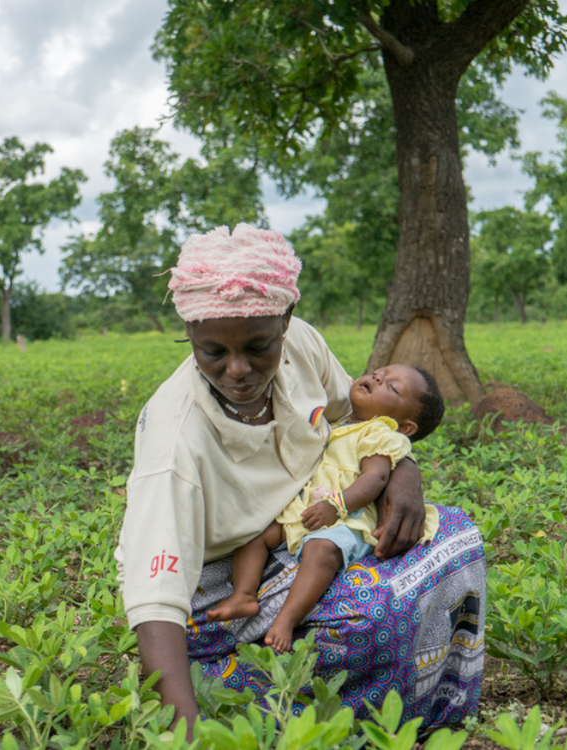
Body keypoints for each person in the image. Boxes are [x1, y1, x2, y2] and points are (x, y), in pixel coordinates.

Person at [114, 225, 484, 738]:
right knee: (374, 615)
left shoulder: (302, 345)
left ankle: (434, 709)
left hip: (292, 530)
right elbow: (156, 601)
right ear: (190, 332)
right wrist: (186, 733)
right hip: (218, 591)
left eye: (258, 347)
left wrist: (404, 471)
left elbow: (355, 419)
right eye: (212, 352)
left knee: (457, 535)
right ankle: (306, 716)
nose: (238, 370)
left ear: (285, 321)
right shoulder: (175, 443)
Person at [204, 364, 445, 653]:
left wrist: (337, 505)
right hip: (308, 507)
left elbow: (375, 477)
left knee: (322, 550)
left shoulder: (379, 433)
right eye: (380, 372)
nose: (378, 378)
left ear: (405, 426)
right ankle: (244, 594)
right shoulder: (334, 421)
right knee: (257, 533)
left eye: (392, 387)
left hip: (347, 516)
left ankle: (287, 619)